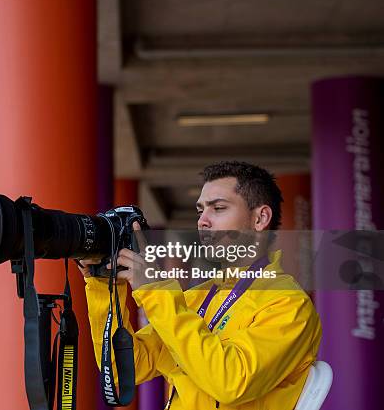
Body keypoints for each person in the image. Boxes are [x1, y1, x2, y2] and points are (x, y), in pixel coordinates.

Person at [78, 161, 322, 410]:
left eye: (218, 208)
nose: (202, 221)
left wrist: (155, 291)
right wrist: (105, 288)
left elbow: (229, 383)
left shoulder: (289, 304)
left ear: (260, 218)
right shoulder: (198, 297)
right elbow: (126, 368)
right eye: (200, 210)